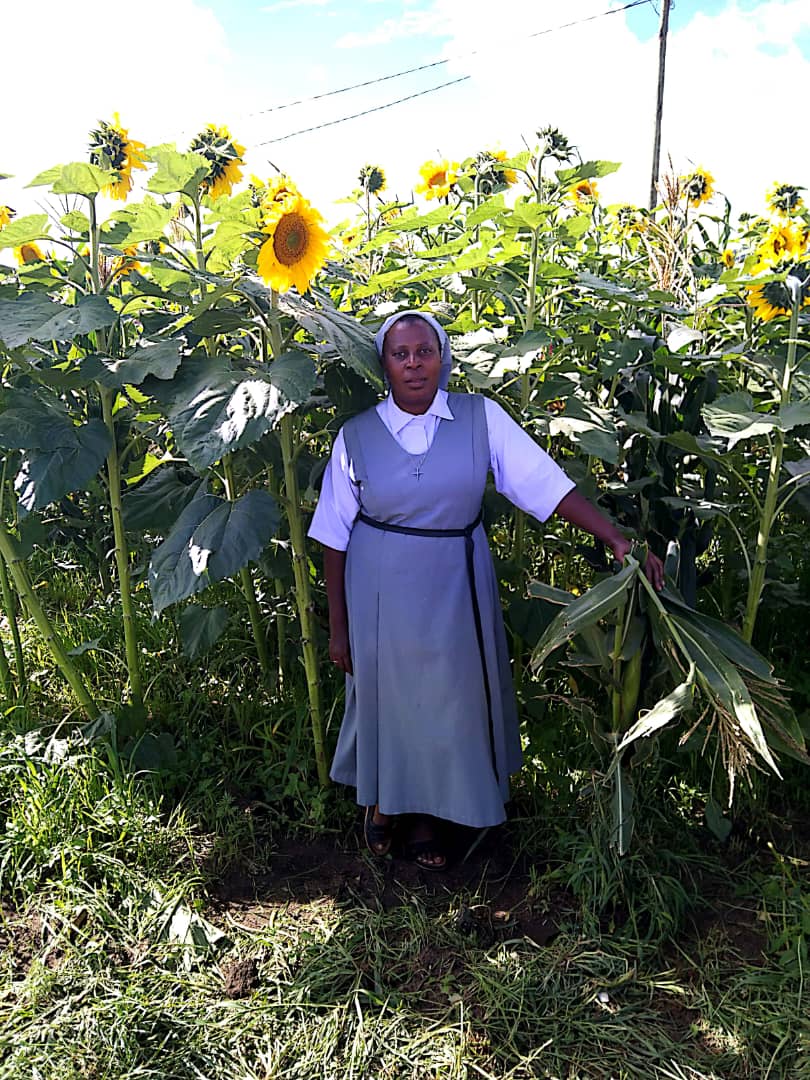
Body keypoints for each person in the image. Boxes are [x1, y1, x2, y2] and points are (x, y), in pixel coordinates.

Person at [308, 310, 664, 870]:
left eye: (424, 351)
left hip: (455, 582)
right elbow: (332, 535)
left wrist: (614, 537)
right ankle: (381, 805)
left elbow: (542, 483)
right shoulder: (356, 436)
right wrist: (339, 626)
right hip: (379, 591)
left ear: (442, 355)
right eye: (400, 354)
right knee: (389, 697)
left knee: (447, 699)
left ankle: (427, 815)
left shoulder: (480, 419)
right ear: (384, 365)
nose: (414, 364)